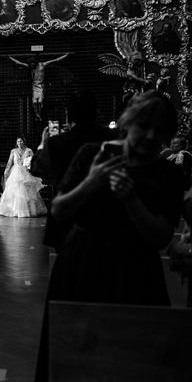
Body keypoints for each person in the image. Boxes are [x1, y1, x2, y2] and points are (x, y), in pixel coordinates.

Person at [47, 90, 183, 303]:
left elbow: (161, 238)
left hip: (136, 271)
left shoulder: (168, 173)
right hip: (83, 264)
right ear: (128, 123)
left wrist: (131, 200)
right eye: (144, 126)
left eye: (160, 130)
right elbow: (59, 210)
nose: (150, 136)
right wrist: (91, 182)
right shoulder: (91, 154)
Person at [31, 90, 113, 250]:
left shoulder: (57, 143)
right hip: (106, 214)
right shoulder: (112, 137)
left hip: (67, 214)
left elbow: (37, 168)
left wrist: (43, 143)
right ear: (97, 112)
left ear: (69, 115)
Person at [8, 53, 70, 121]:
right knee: (34, 102)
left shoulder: (42, 65)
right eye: (30, 63)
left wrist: (66, 55)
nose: (32, 65)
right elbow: (19, 63)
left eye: (33, 63)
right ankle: (37, 114)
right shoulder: (30, 67)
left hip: (41, 86)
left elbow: (56, 60)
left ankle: (39, 114)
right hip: (34, 86)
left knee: (40, 102)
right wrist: (9, 57)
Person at [0, 137, 47, 217]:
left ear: (24, 142)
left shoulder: (29, 150)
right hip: (15, 173)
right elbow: (10, 162)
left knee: (28, 193)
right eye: (18, 141)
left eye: (21, 141)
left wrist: (30, 167)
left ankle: (30, 211)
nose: (20, 143)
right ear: (16, 143)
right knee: (16, 192)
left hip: (26, 173)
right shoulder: (13, 151)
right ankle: (16, 211)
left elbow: (33, 162)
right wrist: (6, 172)